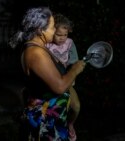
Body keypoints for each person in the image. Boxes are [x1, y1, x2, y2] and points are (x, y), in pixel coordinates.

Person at [9, 7, 86, 141]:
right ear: (40, 30)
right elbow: (60, 87)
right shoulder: (35, 53)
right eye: (51, 27)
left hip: (53, 117)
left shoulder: (39, 48)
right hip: (45, 122)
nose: (54, 30)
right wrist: (75, 69)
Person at [45, 13, 80, 141]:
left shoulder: (70, 43)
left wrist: (72, 74)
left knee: (76, 107)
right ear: (52, 31)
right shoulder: (47, 45)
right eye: (59, 35)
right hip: (51, 82)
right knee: (55, 110)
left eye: (65, 35)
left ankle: (70, 124)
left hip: (66, 81)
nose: (62, 38)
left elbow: (74, 62)